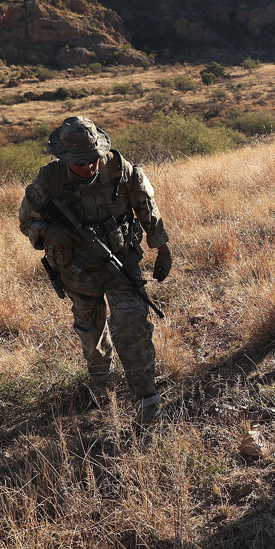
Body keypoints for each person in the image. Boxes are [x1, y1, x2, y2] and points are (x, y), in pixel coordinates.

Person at [18, 116, 172, 424]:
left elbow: (145, 206)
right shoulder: (49, 180)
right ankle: (102, 389)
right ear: (63, 157)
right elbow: (26, 221)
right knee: (91, 335)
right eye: (79, 162)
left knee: (132, 326)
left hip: (121, 264)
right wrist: (48, 232)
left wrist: (162, 247)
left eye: (92, 159)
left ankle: (146, 398)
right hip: (77, 273)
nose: (88, 166)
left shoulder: (119, 168)